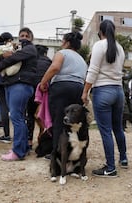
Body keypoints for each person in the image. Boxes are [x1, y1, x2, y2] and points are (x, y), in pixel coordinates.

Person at [81, 19, 127, 178]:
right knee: (118, 128)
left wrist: (85, 92)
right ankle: (124, 158)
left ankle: (110, 167)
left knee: (106, 131)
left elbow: (92, 71)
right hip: (118, 91)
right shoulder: (120, 48)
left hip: (103, 91)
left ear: (100, 32)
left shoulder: (99, 45)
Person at [39, 32, 88, 161]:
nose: (61, 44)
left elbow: (55, 67)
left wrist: (43, 82)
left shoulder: (62, 53)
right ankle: (73, 152)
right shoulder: (82, 60)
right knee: (73, 122)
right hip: (78, 88)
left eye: (62, 41)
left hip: (61, 87)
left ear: (66, 42)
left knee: (59, 121)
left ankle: (57, 153)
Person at [0, 27, 37, 161]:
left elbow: (14, 58)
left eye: (26, 35)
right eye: (21, 35)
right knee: (18, 117)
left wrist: (1, 64)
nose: (23, 37)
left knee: (16, 118)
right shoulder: (18, 49)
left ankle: (18, 152)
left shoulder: (30, 48)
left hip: (21, 85)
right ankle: (23, 148)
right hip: (13, 84)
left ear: (31, 38)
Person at [26, 45, 52, 149]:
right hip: (45, 91)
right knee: (45, 116)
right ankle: (43, 136)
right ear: (45, 53)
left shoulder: (31, 61)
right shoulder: (49, 62)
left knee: (30, 115)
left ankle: (29, 140)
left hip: (32, 89)